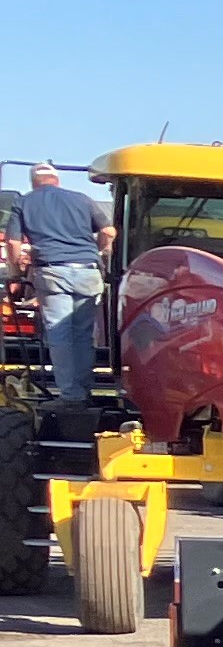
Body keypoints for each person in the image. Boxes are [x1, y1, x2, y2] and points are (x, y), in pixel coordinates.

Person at [10, 163, 107, 441]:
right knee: (82, 333)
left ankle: (71, 395)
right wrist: (96, 251)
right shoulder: (81, 199)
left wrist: (17, 274)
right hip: (88, 270)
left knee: (59, 333)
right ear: (57, 180)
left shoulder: (25, 202)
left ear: (34, 182)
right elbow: (109, 231)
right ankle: (84, 389)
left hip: (53, 270)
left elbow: (14, 245)